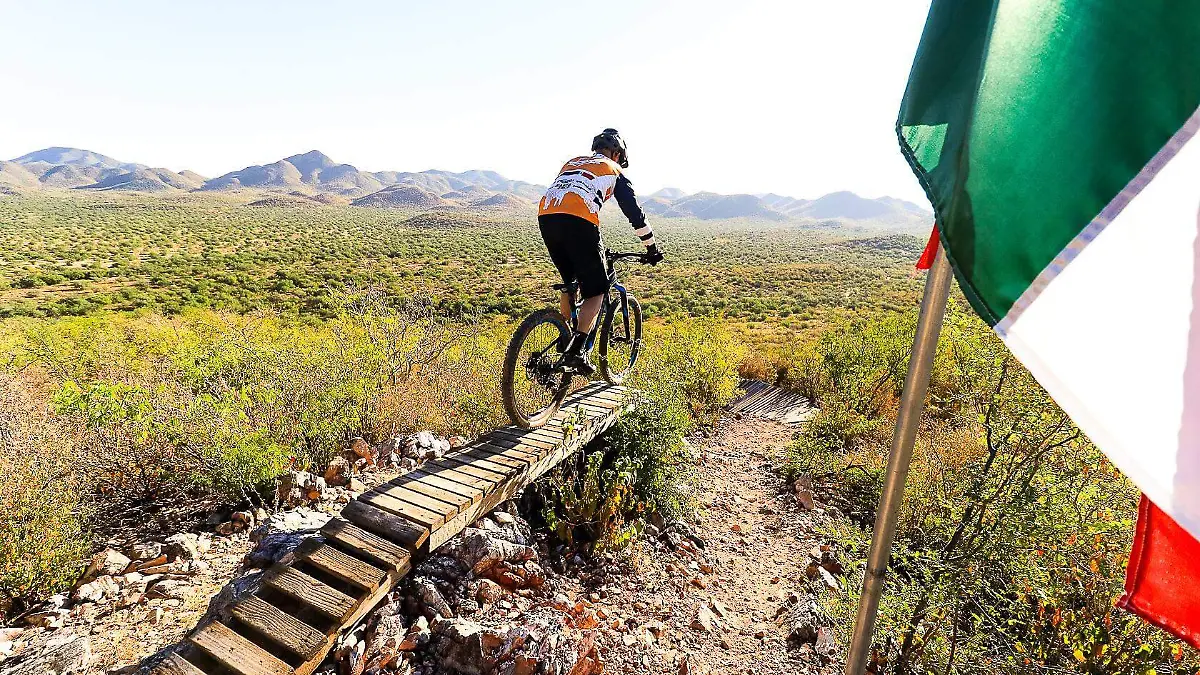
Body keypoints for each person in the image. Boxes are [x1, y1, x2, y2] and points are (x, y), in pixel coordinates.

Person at [537, 128, 662, 375]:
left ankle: (566, 335)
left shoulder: (572, 162)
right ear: (617, 154)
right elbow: (635, 215)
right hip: (579, 218)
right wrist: (651, 248)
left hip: (546, 216)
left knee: (570, 281)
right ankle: (576, 351)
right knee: (597, 289)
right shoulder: (614, 170)